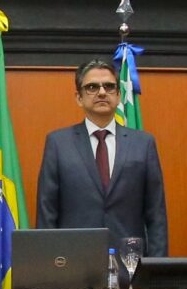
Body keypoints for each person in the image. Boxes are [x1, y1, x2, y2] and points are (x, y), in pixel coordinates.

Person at [36, 57, 168, 258]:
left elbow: (156, 215)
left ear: (118, 95)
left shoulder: (143, 144)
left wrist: (157, 270)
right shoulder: (58, 143)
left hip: (131, 266)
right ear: (78, 97)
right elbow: (47, 212)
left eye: (109, 86)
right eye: (91, 87)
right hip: (74, 263)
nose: (102, 92)